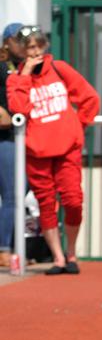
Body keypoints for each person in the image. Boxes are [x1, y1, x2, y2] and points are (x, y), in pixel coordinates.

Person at [5, 26, 100, 274]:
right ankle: (58, 258)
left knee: (73, 200)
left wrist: (78, 127)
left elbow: (90, 97)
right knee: (46, 205)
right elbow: (19, 109)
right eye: (29, 49)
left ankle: (71, 253)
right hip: (37, 152)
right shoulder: (15, 79)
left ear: (44, 47)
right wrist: (24, 76)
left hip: (68, 148)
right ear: (21, 52)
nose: (35, 53)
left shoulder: (59, 68)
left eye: (38, 47)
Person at [0, 23, 25, 268]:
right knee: (12, 195)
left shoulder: (27, 67)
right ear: (7, 41)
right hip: (5, 139)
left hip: (23, 138)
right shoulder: (1, 64)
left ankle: (13, 245)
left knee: (20, 191)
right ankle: (4, 250)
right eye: (18, 39)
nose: (23, 44)